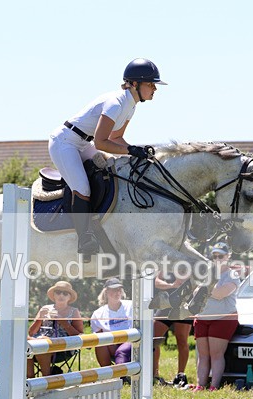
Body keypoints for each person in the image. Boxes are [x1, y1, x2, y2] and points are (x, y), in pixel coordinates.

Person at [48, 58, 166, 259]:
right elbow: (102, 142)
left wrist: (135, 151)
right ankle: (84, 238)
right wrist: (130, 150)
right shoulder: (115, 103)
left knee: (113, 169)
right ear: (135, 84)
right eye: (151, 84)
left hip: (83, 143)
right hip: (65, 143)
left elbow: (116, 138)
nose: (155, 88)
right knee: (83, 188)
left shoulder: (131, 105)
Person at [189, 242, 240, 391]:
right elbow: (194, 293)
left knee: (216, 354)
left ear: (228, 256)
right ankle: (200, 385)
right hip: (203, 317)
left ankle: (214, 386)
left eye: (221, 256)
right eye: (214, 256)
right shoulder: (207, 273)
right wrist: (204, 287)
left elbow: (219, 294)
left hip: (222, 318)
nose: (217, 258)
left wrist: (204, 287)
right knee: (203, 355)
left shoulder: (232, 275)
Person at [27, 281, 84, 378]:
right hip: (37, 343)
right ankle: (29, 380)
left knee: (42, 343)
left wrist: (63, 322)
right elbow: (31, 332)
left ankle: (46, 379)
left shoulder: (74, 311)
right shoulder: (45, 308)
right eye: (58, 292)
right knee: (25, 341)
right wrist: (40, 318)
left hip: (62, 349)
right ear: (54, 295)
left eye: (65, 293)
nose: (61, 295)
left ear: (69, 297)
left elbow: (80, 335)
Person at [153, 273, 193, 388]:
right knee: (154, 338)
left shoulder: (189, 261)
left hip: (184, 303)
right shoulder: (166, 263)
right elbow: (157, 282)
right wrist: (171, 285)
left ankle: (180, 376)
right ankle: (155, 375)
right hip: (166, 303)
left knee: (181, 339)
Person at [90, 278, 134, 367]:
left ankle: (120, 375)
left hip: (130, 342)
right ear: (106, 292)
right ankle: (108, 373)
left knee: (121, 351)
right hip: (112, 344)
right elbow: (97, 335)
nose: (117, 293)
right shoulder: (98, 314)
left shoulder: (131, 305)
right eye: (113, 290)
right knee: (100, 342)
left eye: (119, 290)